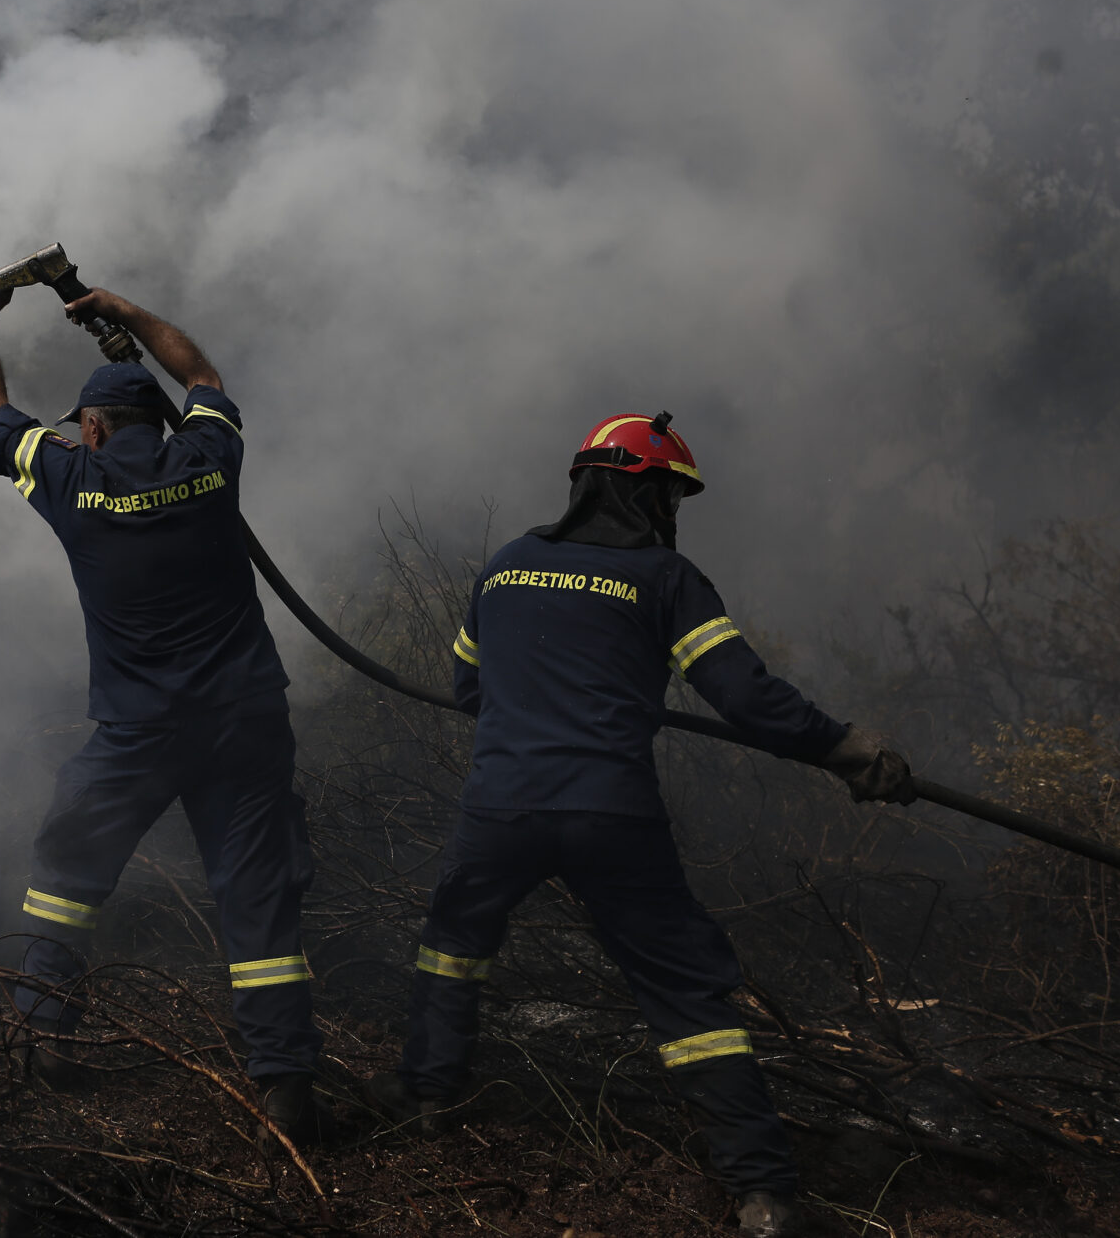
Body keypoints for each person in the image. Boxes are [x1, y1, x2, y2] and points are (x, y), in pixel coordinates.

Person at [364, 411, 915, 1238]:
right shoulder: (666, 578)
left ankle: (428, 1094)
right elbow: (744, 697)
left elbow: (469, 689)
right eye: (671, 495)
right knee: (681, 989)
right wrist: (846, 748)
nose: (674, 513)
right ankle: (762, 1194)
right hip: (607, 810)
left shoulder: (508, 565)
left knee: (454, 939)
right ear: (643, 491)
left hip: (501, 808)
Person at [0, 266, 325, 1140]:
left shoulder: (73, 481)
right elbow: (202, 377)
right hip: (244, 722)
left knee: (70, 875)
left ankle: (43, 1034)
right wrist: (121, 309)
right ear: (157, 424)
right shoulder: (208, 459)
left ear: (89, 426)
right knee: (259, 901)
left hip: (138, 733)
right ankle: (288, 1088)